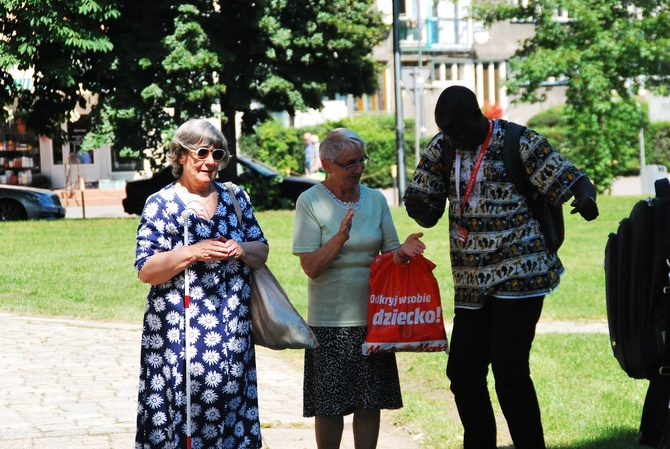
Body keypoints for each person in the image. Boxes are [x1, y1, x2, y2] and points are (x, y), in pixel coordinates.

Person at [404, 85, 599, 449]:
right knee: (463, 372)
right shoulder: (443, 147)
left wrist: (586, 198)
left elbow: (573, 178)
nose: (455, 139)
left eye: (460, 131)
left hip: (521, 273)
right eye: (448, 132)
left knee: (509, 369)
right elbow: (426, 209)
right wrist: (419, 206)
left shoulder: (519, 141)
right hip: (471, 282)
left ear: (479, 116)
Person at [133, 118, 269, 449]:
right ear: (180, 156)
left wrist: (241, 249)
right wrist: (192, 252)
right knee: (182, 411)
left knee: (232, 411)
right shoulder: (161, 204)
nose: (210, 161)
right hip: (179, 333)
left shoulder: (236, 197)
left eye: (217, 154)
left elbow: (261, 249)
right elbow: (146, 269)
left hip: (232, 329)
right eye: (202, 152)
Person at [292, 127, 425, 449]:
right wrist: (339, 238)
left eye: (361, 161)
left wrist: (402, 253)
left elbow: (390, 257)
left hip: (374, 318)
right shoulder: (310, 201)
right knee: (330, 405)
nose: (359, 169)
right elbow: (311, 267)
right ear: (327, 163)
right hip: (329, 322)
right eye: (350, 163)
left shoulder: (376, 200)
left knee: (370, 401)